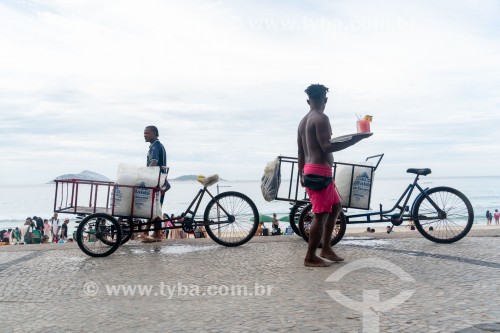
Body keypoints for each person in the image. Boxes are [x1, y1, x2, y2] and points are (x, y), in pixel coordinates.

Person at [297, 84, 370, 267]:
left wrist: (301, 173)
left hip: (312, 170)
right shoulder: (321, 118)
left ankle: (326, 248)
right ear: (326, 100)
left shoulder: (302, 121)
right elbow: (326, 147)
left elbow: (300, 152)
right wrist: (356, 138)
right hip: (319, 172)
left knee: (336, 207)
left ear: (308, 101)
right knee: (320, 215)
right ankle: (310, 257)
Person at [142, 125, 168, 242]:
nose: (144, 135)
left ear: (154, 133)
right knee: (154, 207)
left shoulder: (154, 147)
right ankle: (149, 232)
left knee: (154, 207)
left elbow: (153, 163)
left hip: (156, 181)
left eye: (147, 133)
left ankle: (155, 233)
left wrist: (144, 176)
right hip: (160, 180)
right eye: (144, 133)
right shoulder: (159, 145)